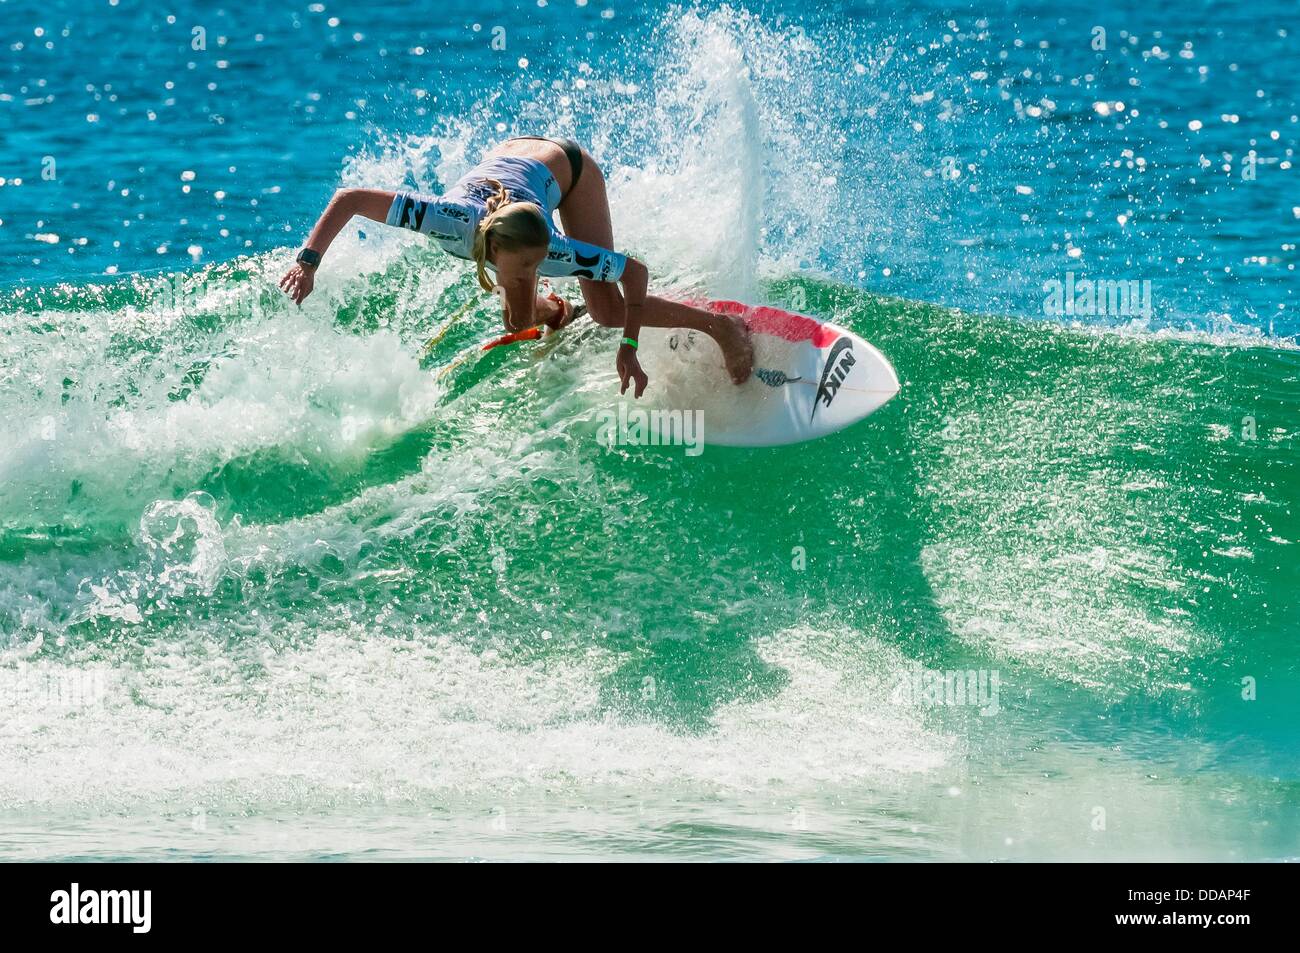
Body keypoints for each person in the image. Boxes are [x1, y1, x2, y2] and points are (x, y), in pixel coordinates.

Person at [279, 135, 754, 396]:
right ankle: (560, 313)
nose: (537, 269)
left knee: (609, 312)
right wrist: (309, 263)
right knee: (519, 318)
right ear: (492, 248)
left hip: (568, 169)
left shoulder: (550, 249)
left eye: (539, 265)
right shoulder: (449, 223)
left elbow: (635, 273)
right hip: (513, 160)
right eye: (526, 268)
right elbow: (352, 198)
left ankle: (721, 326)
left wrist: (629, 343)